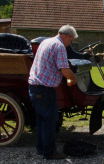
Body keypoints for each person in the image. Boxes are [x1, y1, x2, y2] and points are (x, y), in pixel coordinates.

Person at [28, 25, 79, 160]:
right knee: (50, 121)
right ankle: (50, 153)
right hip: (45, 89)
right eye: (71, 40)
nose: (70, 43)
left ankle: (41, 149)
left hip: (35, 87)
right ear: (66, 36)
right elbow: (64, 70)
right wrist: (74, 78)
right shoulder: (59, 46)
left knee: (41, 121)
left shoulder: (46, 42)